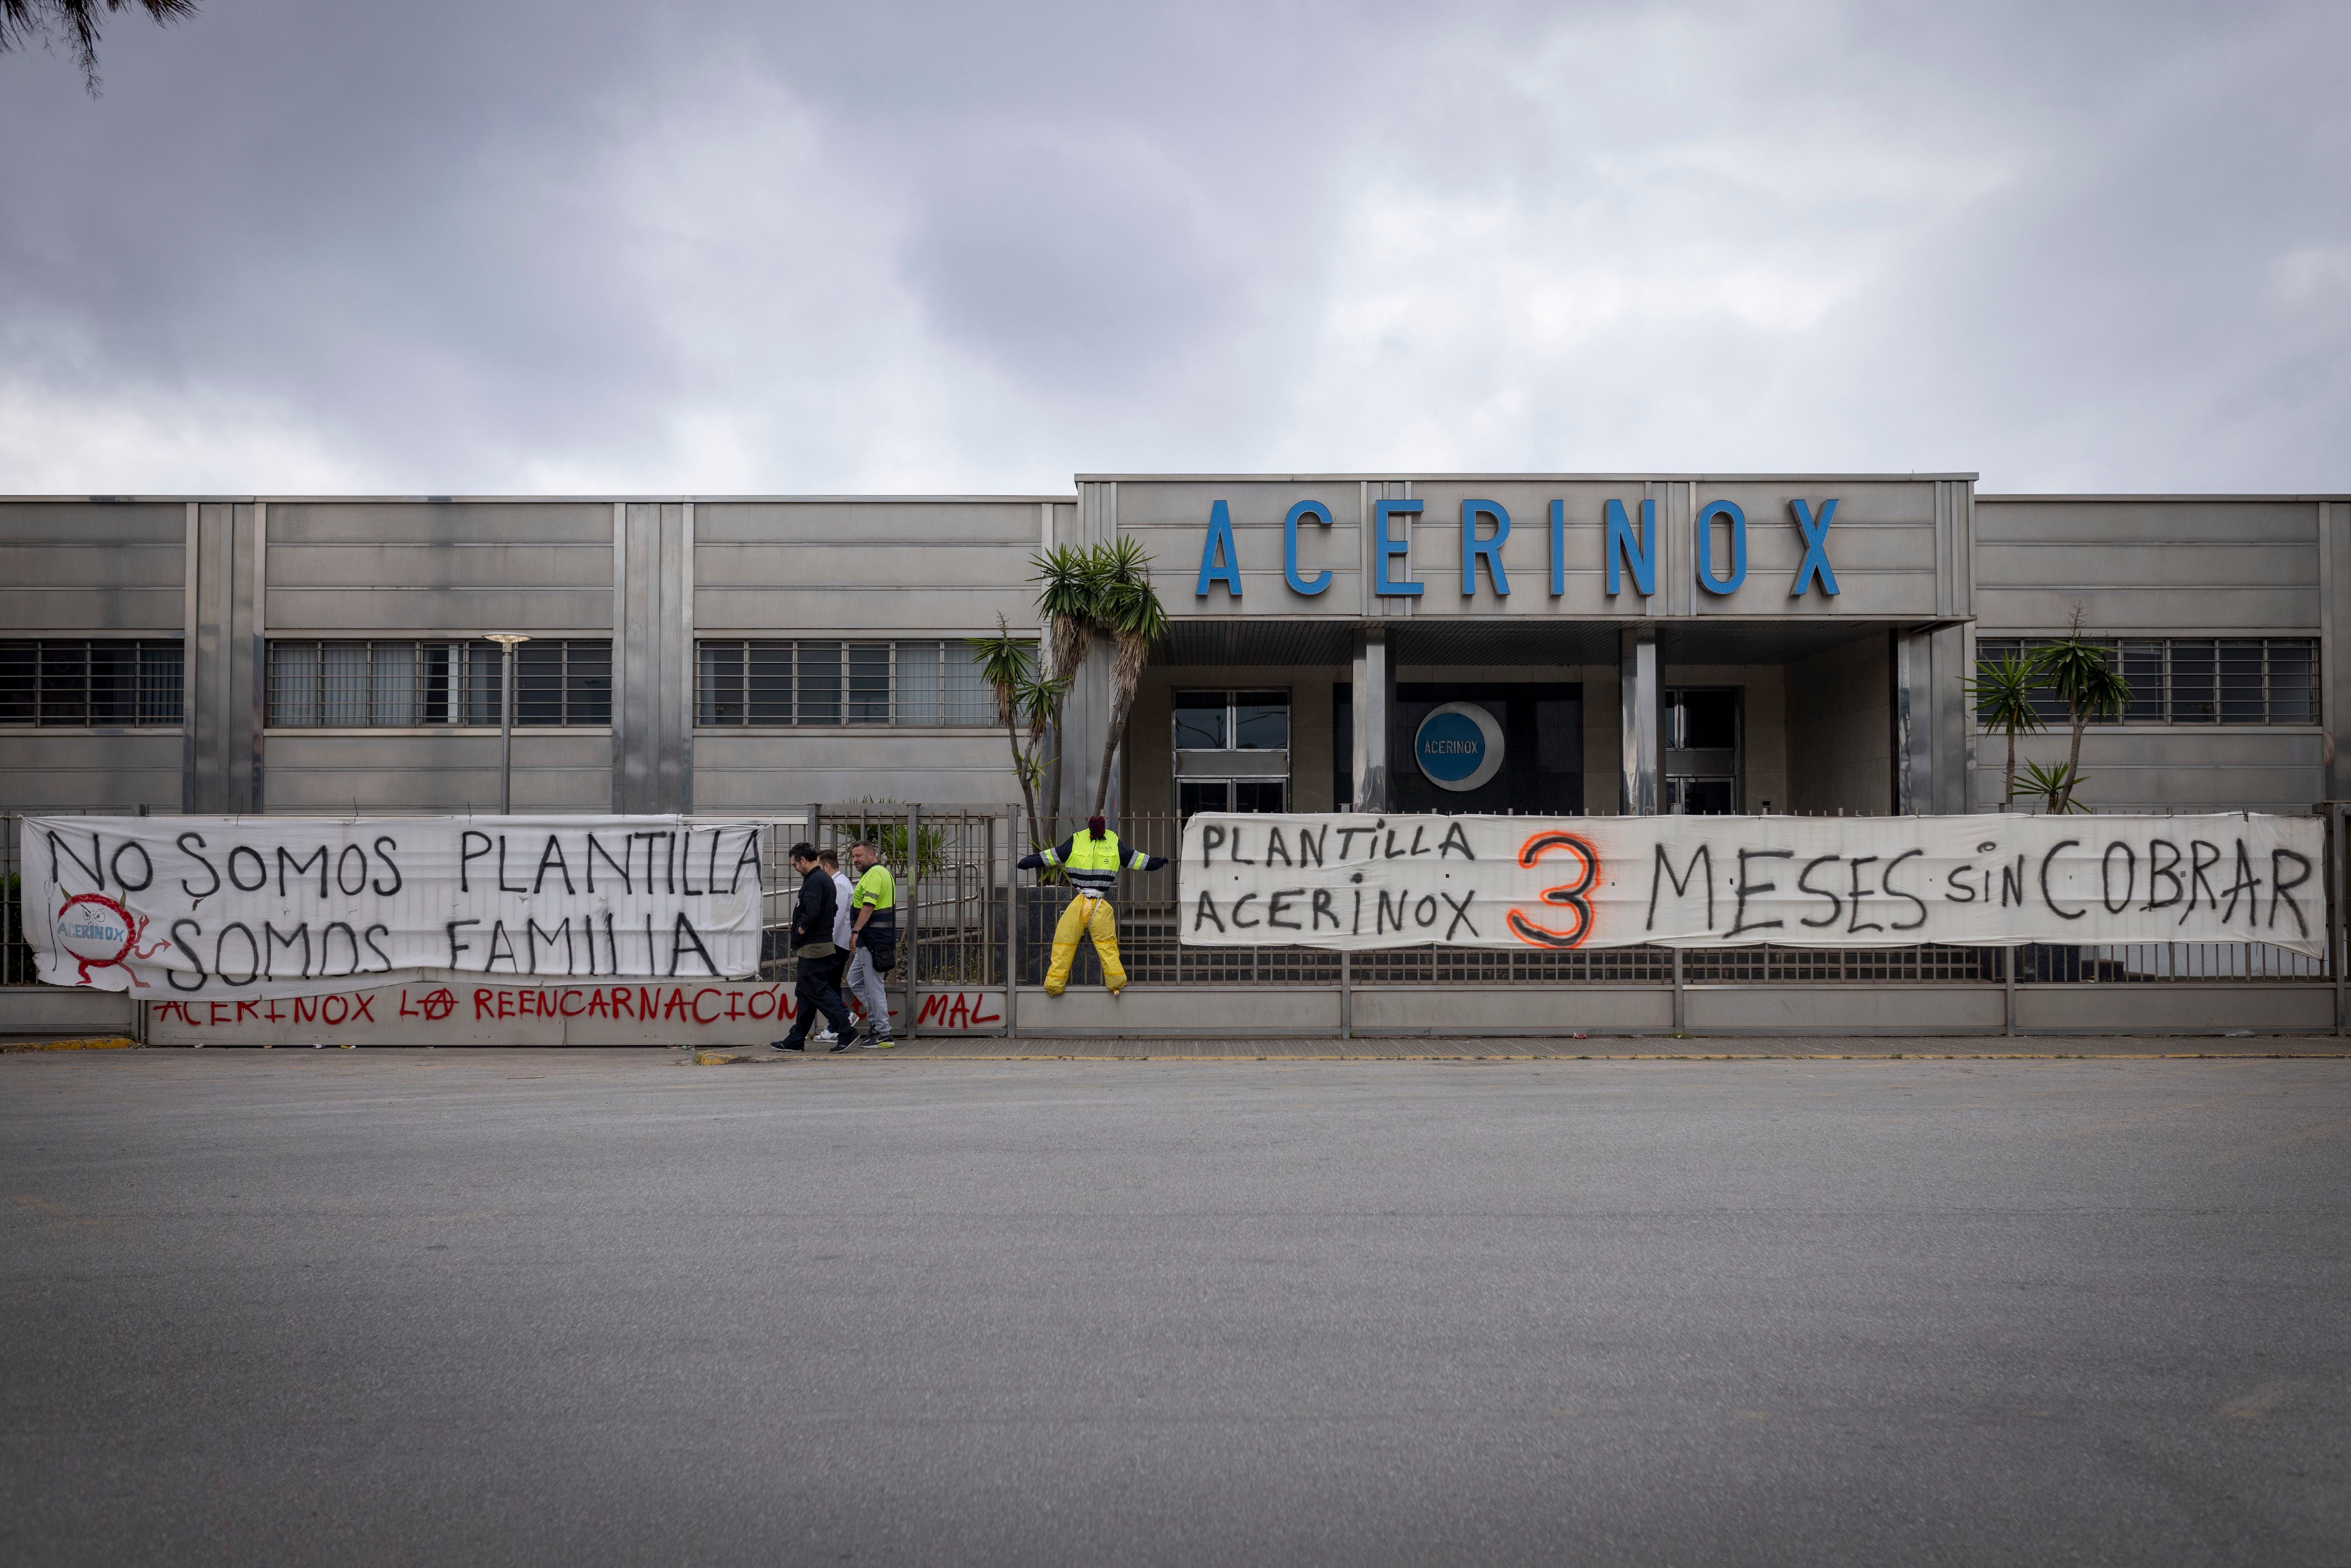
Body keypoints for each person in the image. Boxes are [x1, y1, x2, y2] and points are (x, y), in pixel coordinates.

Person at [1017, 815, 1168, 997]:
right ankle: (1054, 984)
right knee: (1064, 940)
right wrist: (1030, 861)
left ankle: (1116, 982)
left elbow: (1134, 859)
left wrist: (1155, 862)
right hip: (1080, 901)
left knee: (1107, 945)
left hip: (1099, 903)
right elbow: (1054, 855)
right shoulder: (1078, 839)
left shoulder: (1113, 841)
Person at [771, 841, 855, 1052]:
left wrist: (801, 930)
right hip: (817, 944)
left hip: (814, 944)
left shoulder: (816, 881)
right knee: (806, 992)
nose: (795, 869)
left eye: (795, 865)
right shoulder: (823, 879)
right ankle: (796, 1038)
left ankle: (846, 1029)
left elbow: (813, 911)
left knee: (816, 990)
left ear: (803, 860)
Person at [843, 841, 898, 1046]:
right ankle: (877, 1021)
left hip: (872, 940)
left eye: (859, 856)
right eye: (854, 857)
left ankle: (883, 1033)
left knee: (874, 987)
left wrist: (855, 931)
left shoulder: (874, 874)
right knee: (855, 979)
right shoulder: (878, 873)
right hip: (874, 940)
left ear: (872, 855)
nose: (855, 860)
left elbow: (868, 905)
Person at [814, 849, 856, 1044]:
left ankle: (845, 1015)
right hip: (838, 941)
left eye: (819, 867)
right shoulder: (840, 882)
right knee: (832, 984)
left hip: (836, 942)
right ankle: (836, 1027)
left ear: (827, 867)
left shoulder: (839, 885)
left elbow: (836, 918)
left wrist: (826, 942)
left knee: (826, 984)